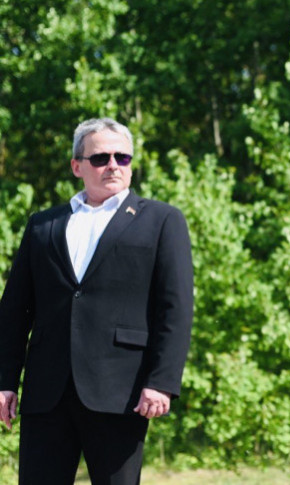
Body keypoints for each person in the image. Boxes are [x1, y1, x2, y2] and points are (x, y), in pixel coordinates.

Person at [0, 118, 194, 484]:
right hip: (46, 391)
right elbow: (14, 310)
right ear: (77, 166)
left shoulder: (162, 220)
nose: (113, 165)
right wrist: (4, 379)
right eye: (101, 157)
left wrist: (162, 380)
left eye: (123, 157)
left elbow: (176, 307)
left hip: (121, 391)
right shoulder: (43, 225)